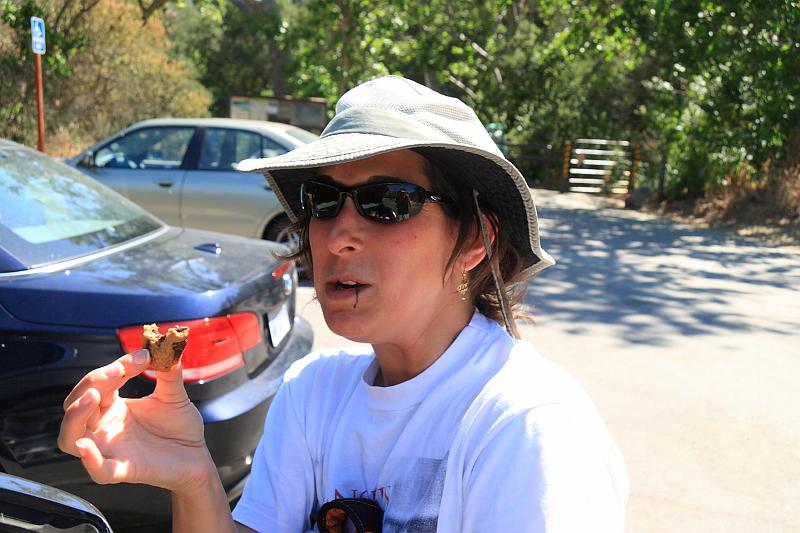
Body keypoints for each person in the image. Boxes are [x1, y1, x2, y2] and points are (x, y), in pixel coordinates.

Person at [58, 76, 628, 532]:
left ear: (476, 238)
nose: (335, 236)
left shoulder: (525, 428)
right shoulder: (313, 394)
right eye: (323, 201)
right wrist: (192, 475)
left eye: (387, 202)